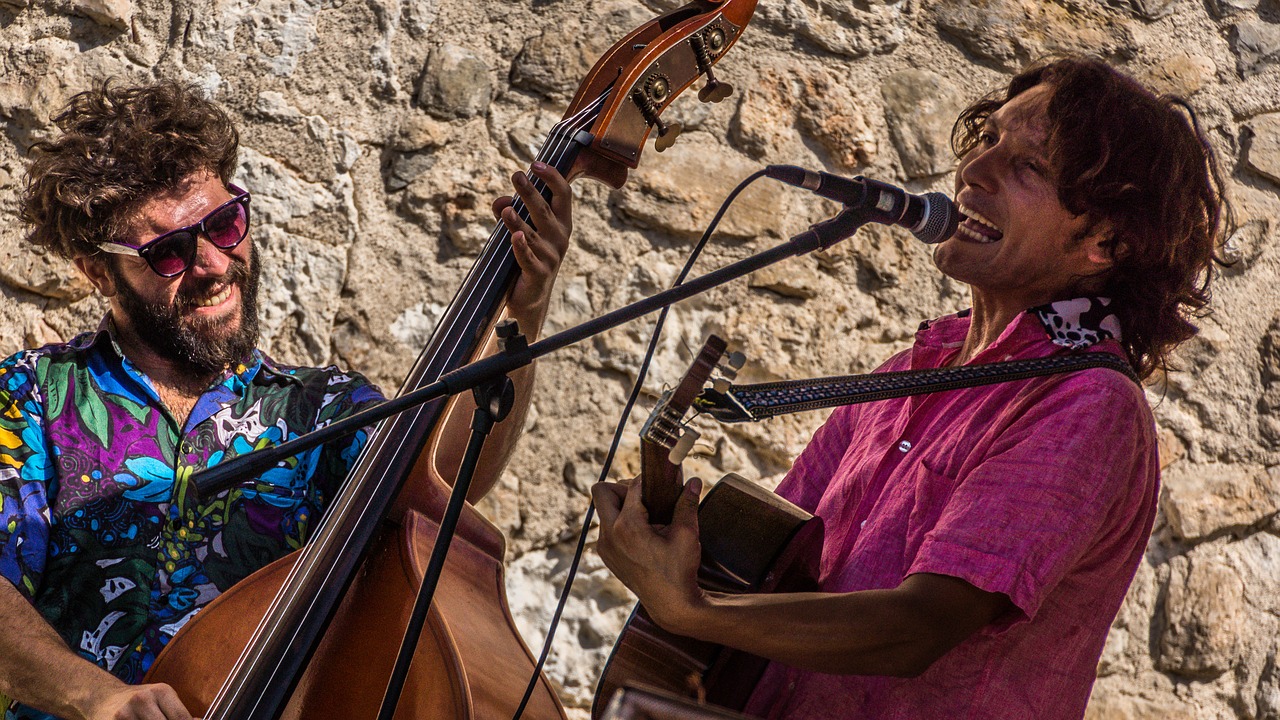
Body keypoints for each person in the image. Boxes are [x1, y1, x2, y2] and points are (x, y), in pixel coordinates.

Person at [593, 56, 1228, 719]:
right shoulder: (911, 372)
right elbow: (780, 564)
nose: (973, 173)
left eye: (1027, 168)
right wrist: (670, 532)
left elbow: (919, 627)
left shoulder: (1086, 405)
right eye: (988, 142)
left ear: (1104, 239)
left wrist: (693, 609)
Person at [0, 80, 573, 720]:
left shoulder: (323, 408)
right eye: (167, 253)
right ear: (98, 272)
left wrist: (524, 310)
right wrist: (95, 697)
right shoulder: (31, 397)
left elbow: (450, 478)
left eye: (224, 224)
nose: (214, 263)